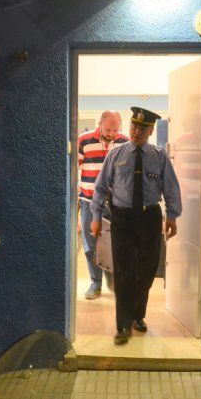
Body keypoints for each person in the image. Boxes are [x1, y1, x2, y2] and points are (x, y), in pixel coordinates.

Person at [90, 107, 182, 345]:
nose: (136, 131)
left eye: (142, 127)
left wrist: (172, 216)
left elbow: (170, 187)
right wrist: (96, 216)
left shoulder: (159, 157)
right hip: (123, 219)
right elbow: (100, 187)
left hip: (149, 218)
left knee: (146, 270)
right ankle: (122, 325)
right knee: (123, 272)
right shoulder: (116, 155)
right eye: (133, 126)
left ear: (151, 130)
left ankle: (137, 315)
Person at [78, 110, 128, 299]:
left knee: (115, 244)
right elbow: (74, 167)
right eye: (108, 129)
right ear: (100, 124)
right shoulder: (84, 140)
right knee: (91, 246)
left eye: (116, 129)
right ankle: (95, 283)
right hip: (90, 201)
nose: (112, 134)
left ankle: (112, 279)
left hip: (116, 204)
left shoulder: (124, 141)